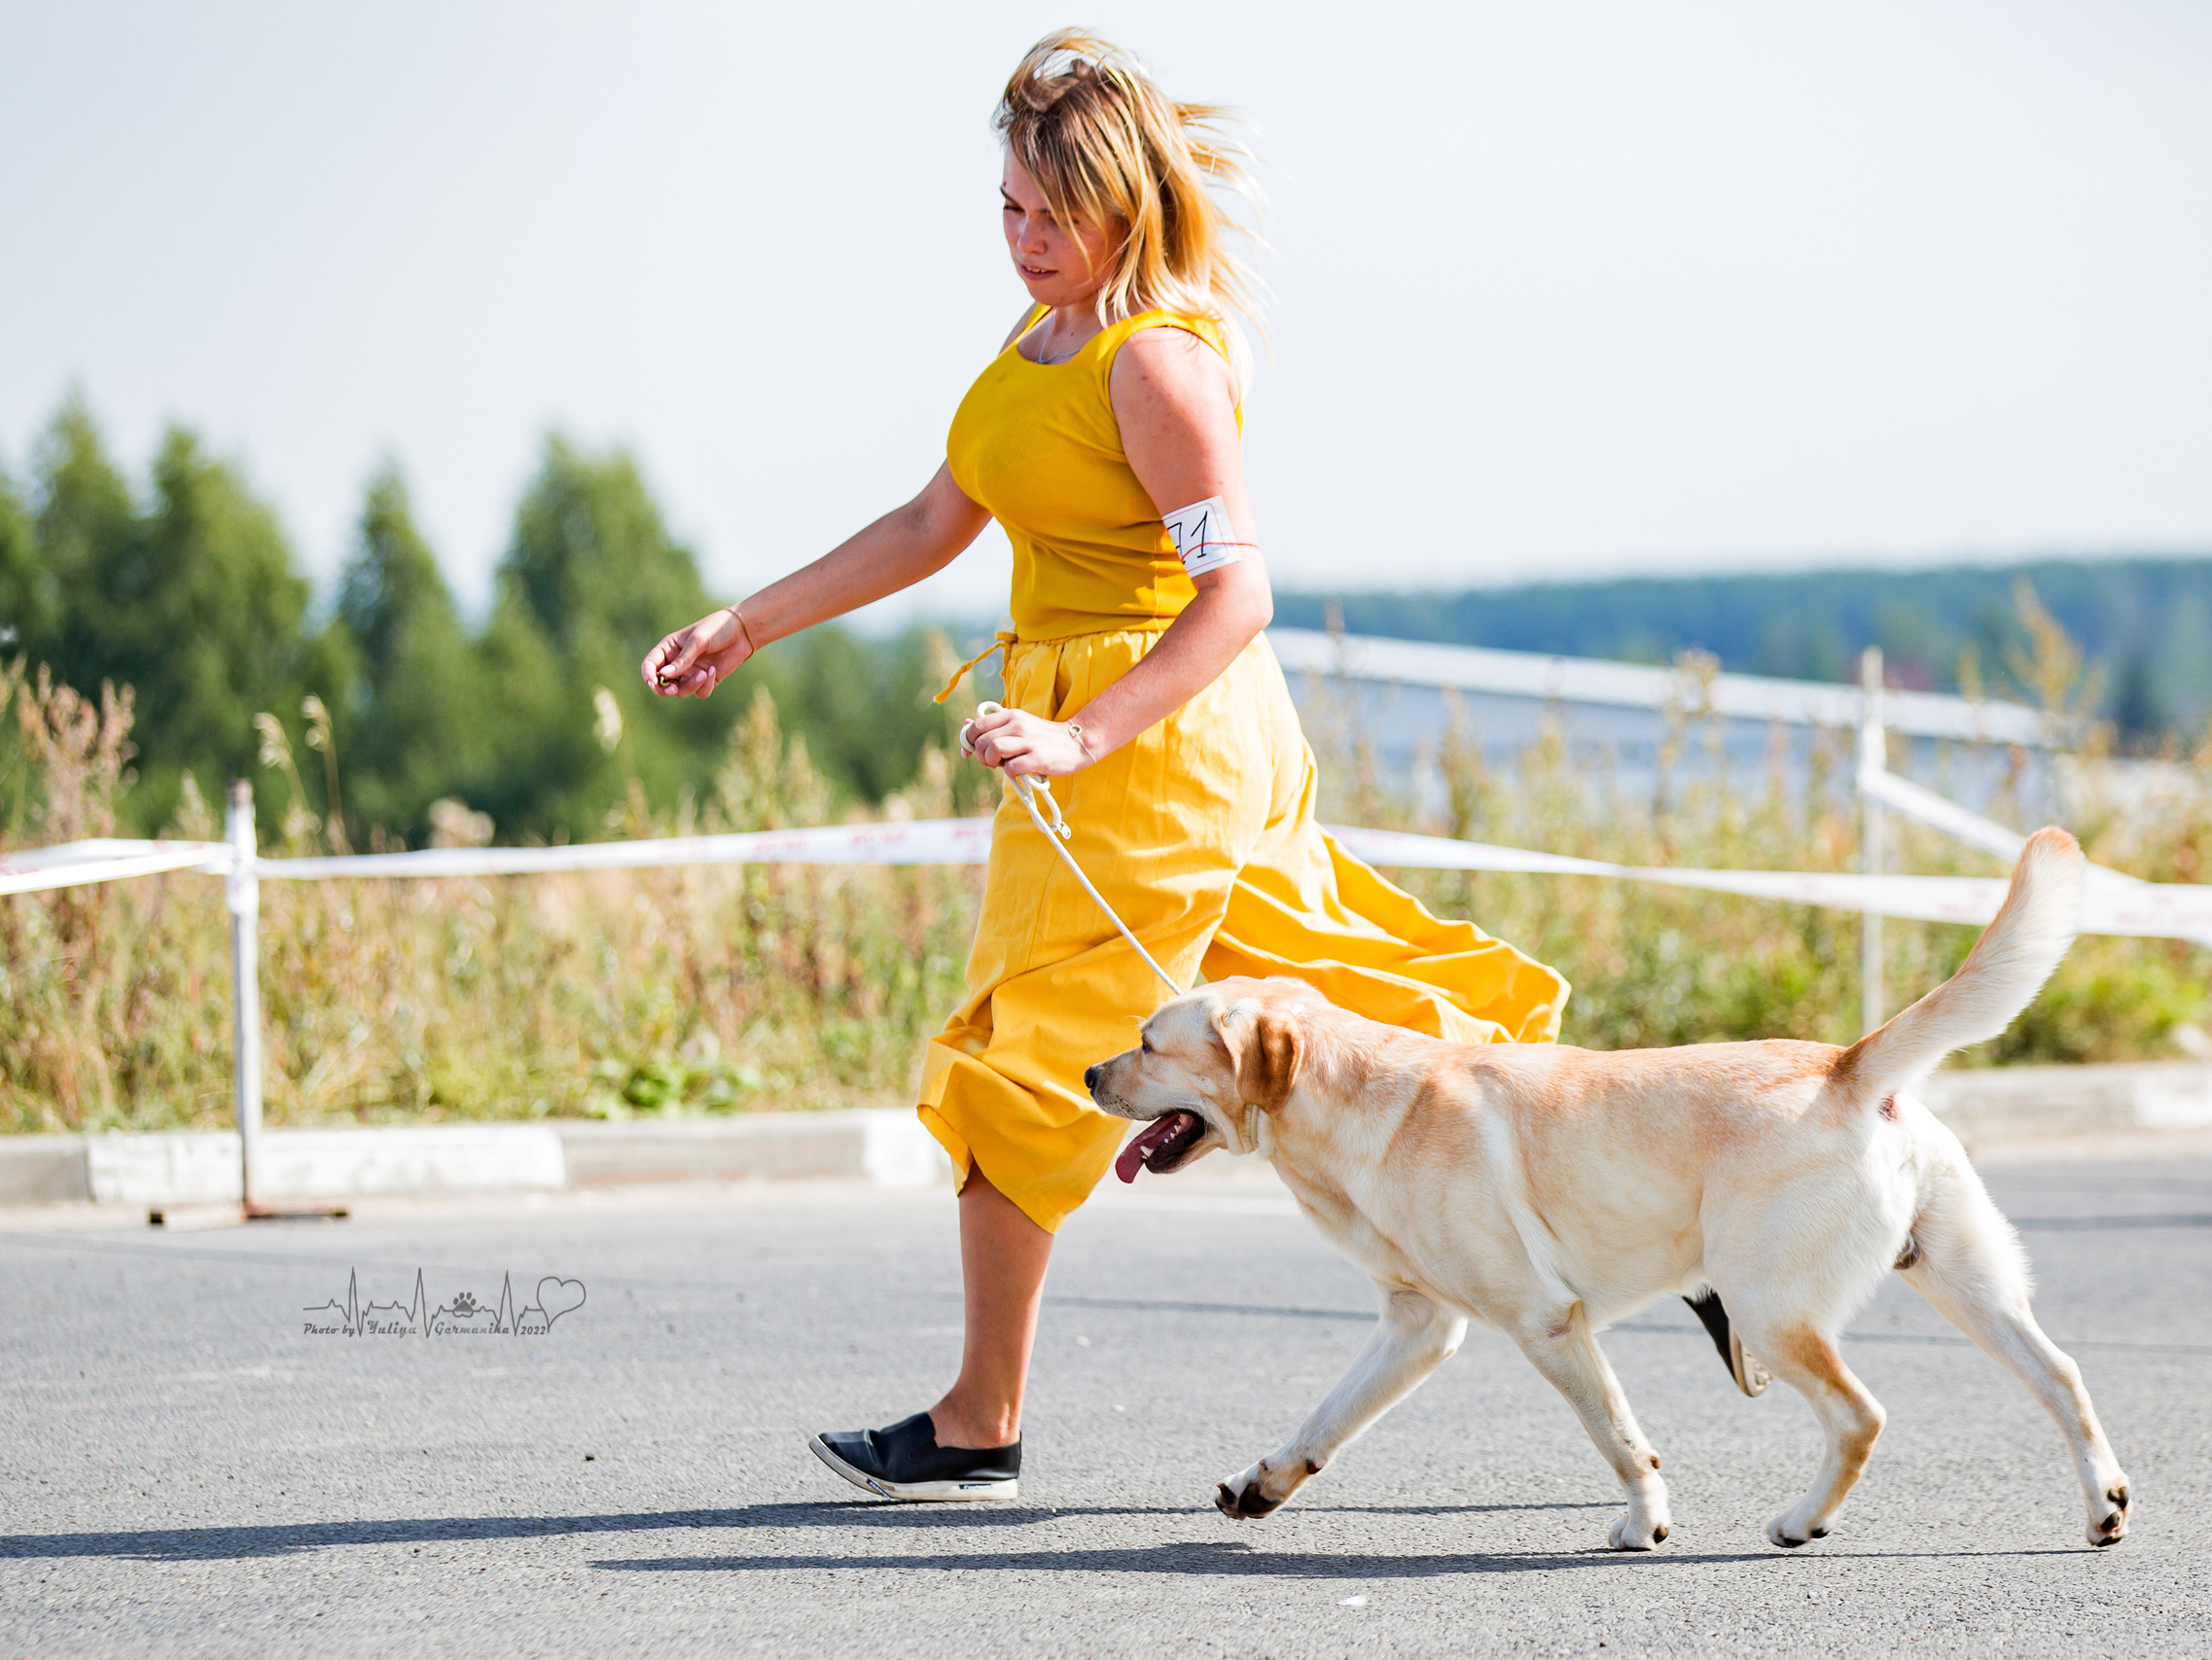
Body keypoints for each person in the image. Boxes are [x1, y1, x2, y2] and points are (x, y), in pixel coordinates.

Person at [641, 28, 1567, 1502]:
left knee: (1019, 1060)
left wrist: (1083, 734)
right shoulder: (1041, 340)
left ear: (1128, 203)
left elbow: (1237, 595)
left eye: (1055, 214)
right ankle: (1639, 1188)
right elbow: (934, 520)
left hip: (1148, 745)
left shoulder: (1154, 361)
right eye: (1008, 207)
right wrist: (750, 624)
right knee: (1341, 987)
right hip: (1126, 736)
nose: (1025, 239)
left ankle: (978, 1421)